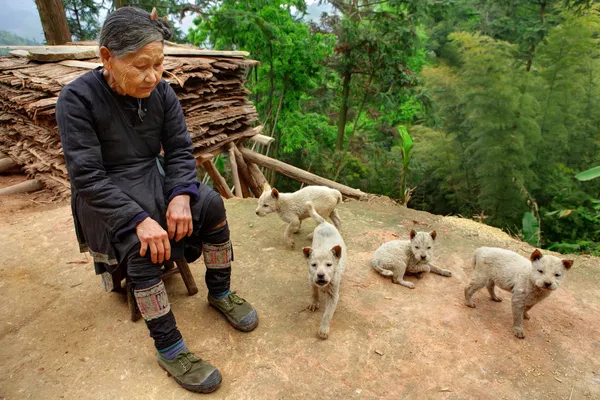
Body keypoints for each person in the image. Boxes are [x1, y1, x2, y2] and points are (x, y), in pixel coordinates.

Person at [56, 6, 258, 394]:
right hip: (105, 194)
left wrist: (182, 194)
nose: (153, 76)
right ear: (106, 59)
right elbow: (86, 175)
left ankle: (220, 291)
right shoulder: (76, 99)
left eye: (159, 64)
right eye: (140, 66)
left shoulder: (162, 91)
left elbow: (180, 150)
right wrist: (137, 219)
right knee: (141, 243)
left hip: (155, 175)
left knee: (211, 204)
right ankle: (169, 346)